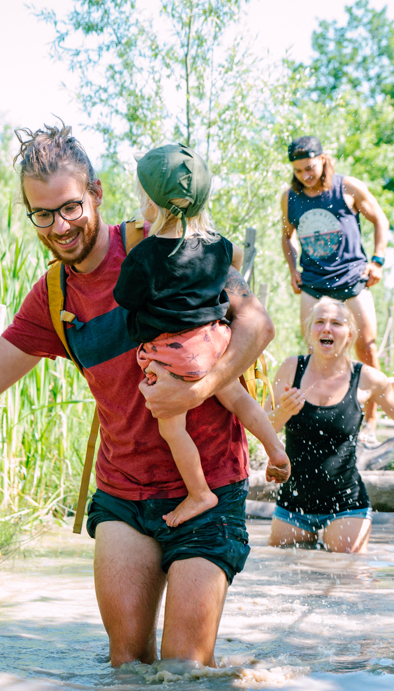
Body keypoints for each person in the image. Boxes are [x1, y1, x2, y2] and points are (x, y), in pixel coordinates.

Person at [0, 125, 275, 669]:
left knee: (185, 672)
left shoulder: (161, 244)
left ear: (95, 193)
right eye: (42, 214)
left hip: (209, 485)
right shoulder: (53, 296)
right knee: (127, 670)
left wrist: (197, 390)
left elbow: (257, 326)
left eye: (70, 207)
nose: (60, 226)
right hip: (124, 494)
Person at [113, 144, 290, 528]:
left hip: (175, 353)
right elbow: (236, 258)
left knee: (172, 427)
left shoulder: (144, 256)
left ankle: (198, 493)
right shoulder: (219, 247)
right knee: (237, 397)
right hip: (214, 341)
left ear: (151, 203)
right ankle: (275, 448)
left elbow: (124, 297)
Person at [266, 296, 394, 554]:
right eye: (320, 322)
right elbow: (265, 426)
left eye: (336, 323)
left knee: (349, 579)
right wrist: (283, 411)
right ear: (309, 332)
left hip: (346, 505)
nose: (327, 328)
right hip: (292, 503)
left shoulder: (368, 379)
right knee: (283, 575)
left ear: (349, 334)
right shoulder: (291, 368)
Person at [280, 135, 389, 444]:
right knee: (317, 349)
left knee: (366, 345)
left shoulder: (347, 187)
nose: (305, 175)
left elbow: (380, 220)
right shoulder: (290, 197)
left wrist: (378, 261)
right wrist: (292, 270)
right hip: (314, 283)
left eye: (310, 168)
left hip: (353, 278)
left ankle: (370, 419)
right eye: (299, 171)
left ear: (324, 159)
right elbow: (286, 237)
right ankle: (319, 418)